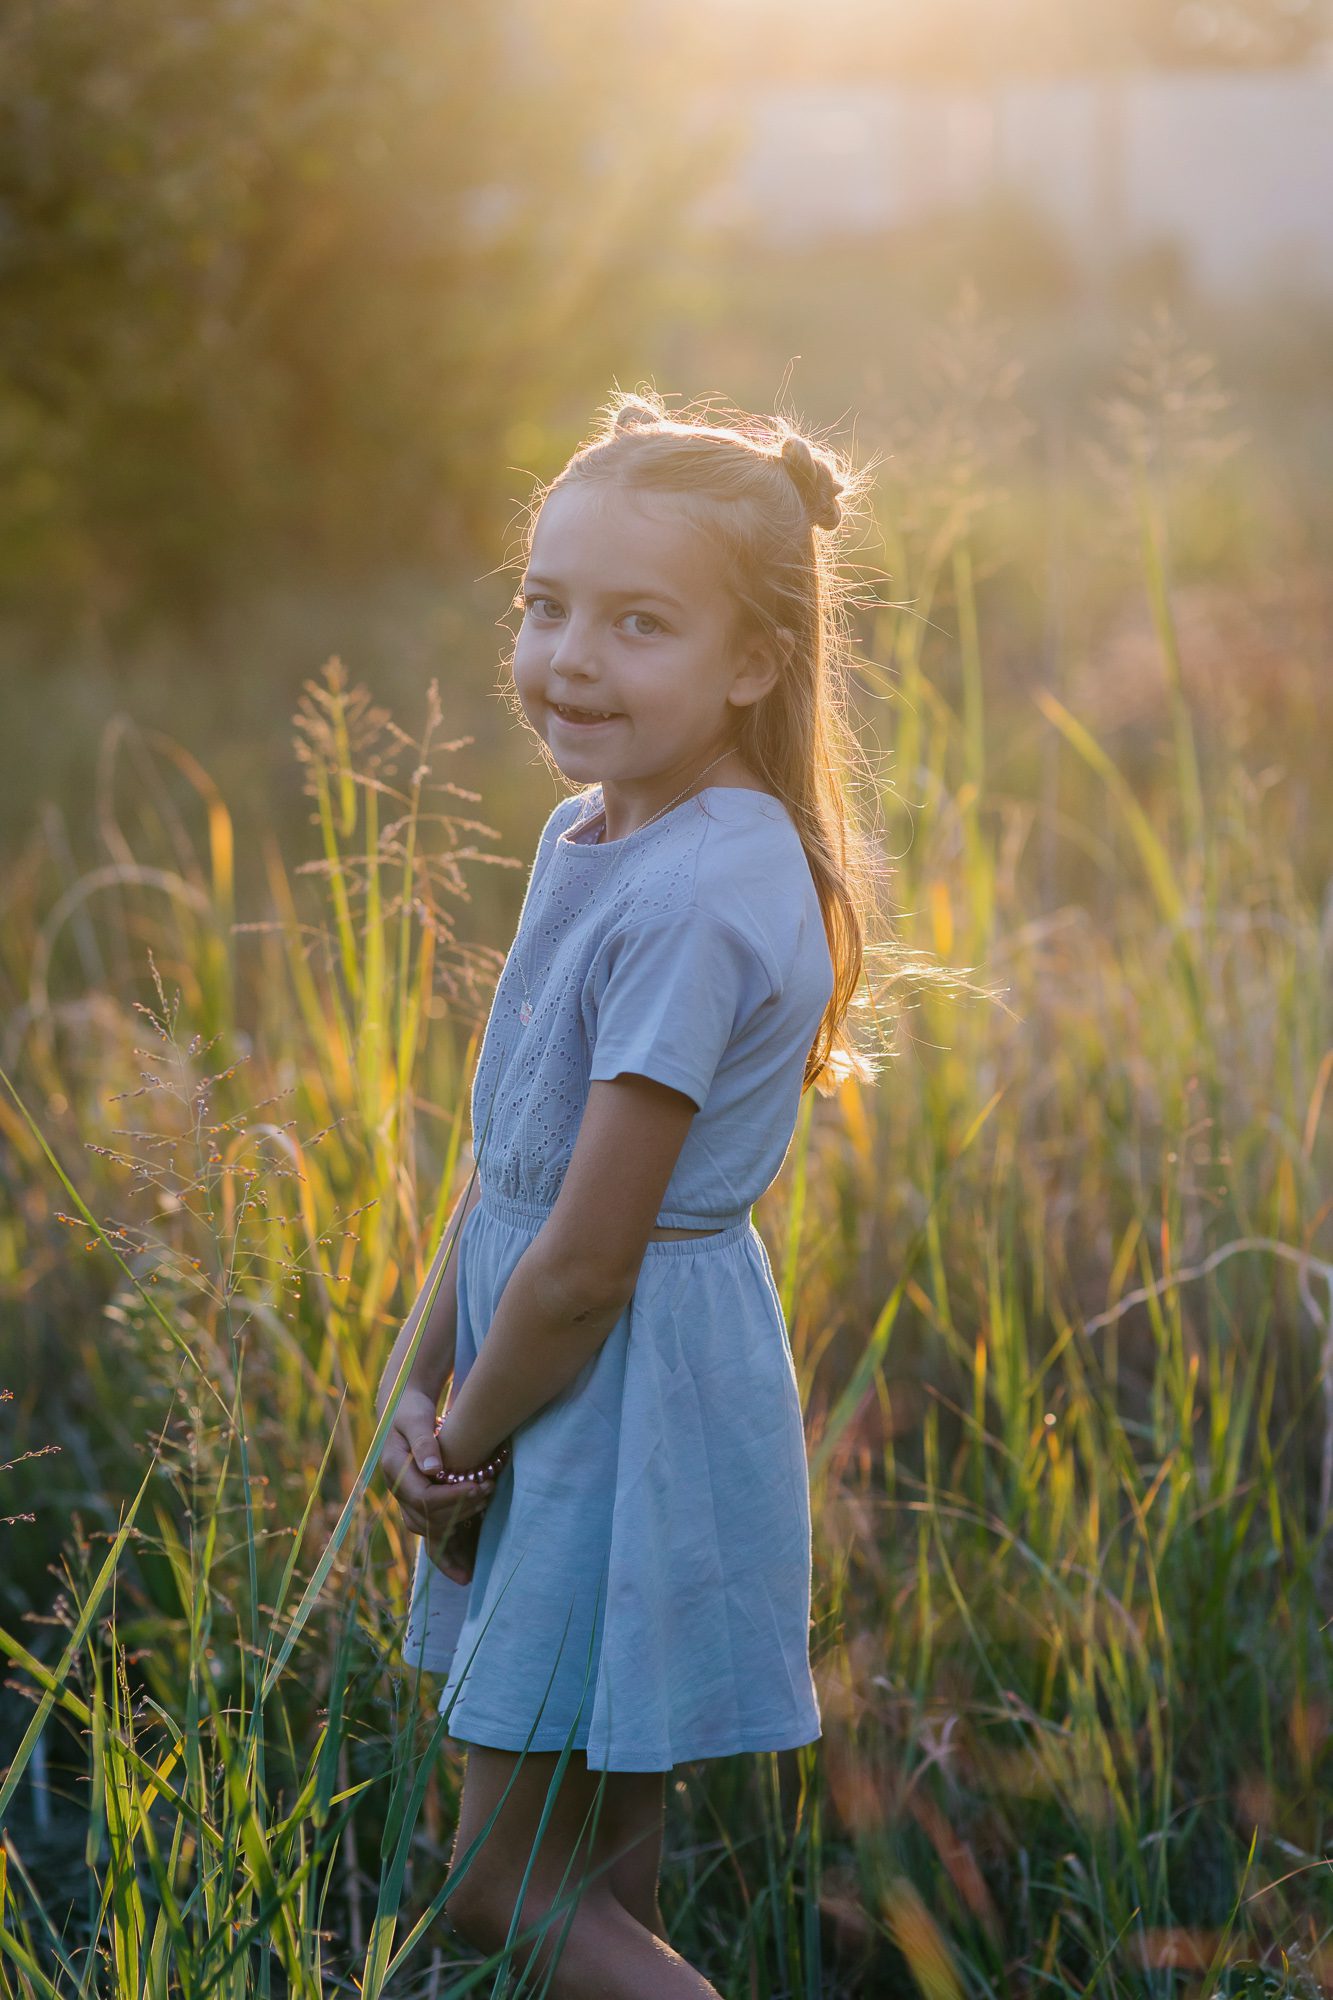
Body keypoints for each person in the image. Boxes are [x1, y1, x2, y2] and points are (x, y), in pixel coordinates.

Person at [374, 387, 885, 1997]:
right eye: (544, 607)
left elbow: (588, 1262)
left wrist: (455, 1446)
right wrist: (408, 1377)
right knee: (595, 1882)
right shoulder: (595, 835)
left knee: (500, 1897)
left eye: (637, 623)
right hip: (552, 1381)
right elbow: (512, 1165)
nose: (568, 659)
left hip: (604, 1400)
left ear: (752, 663)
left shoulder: (691, 895)